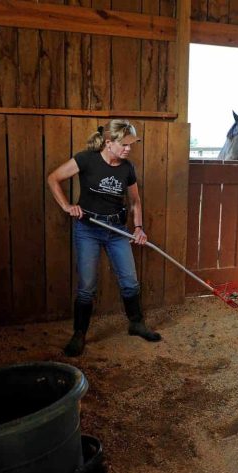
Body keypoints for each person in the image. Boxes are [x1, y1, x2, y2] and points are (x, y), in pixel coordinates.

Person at [47, 119, 162, 357]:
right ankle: (79, 334)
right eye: (125, 144)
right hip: (88, 228)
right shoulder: (86, 159)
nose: (129, 149)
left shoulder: (127, 168)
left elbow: (135, 201)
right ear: (109, 143)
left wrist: (138, 228)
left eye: (132, 144)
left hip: (117, 231)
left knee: (130, 281)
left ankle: (136, 324)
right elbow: (53, 178)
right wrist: (67, 206)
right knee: (87, 286)